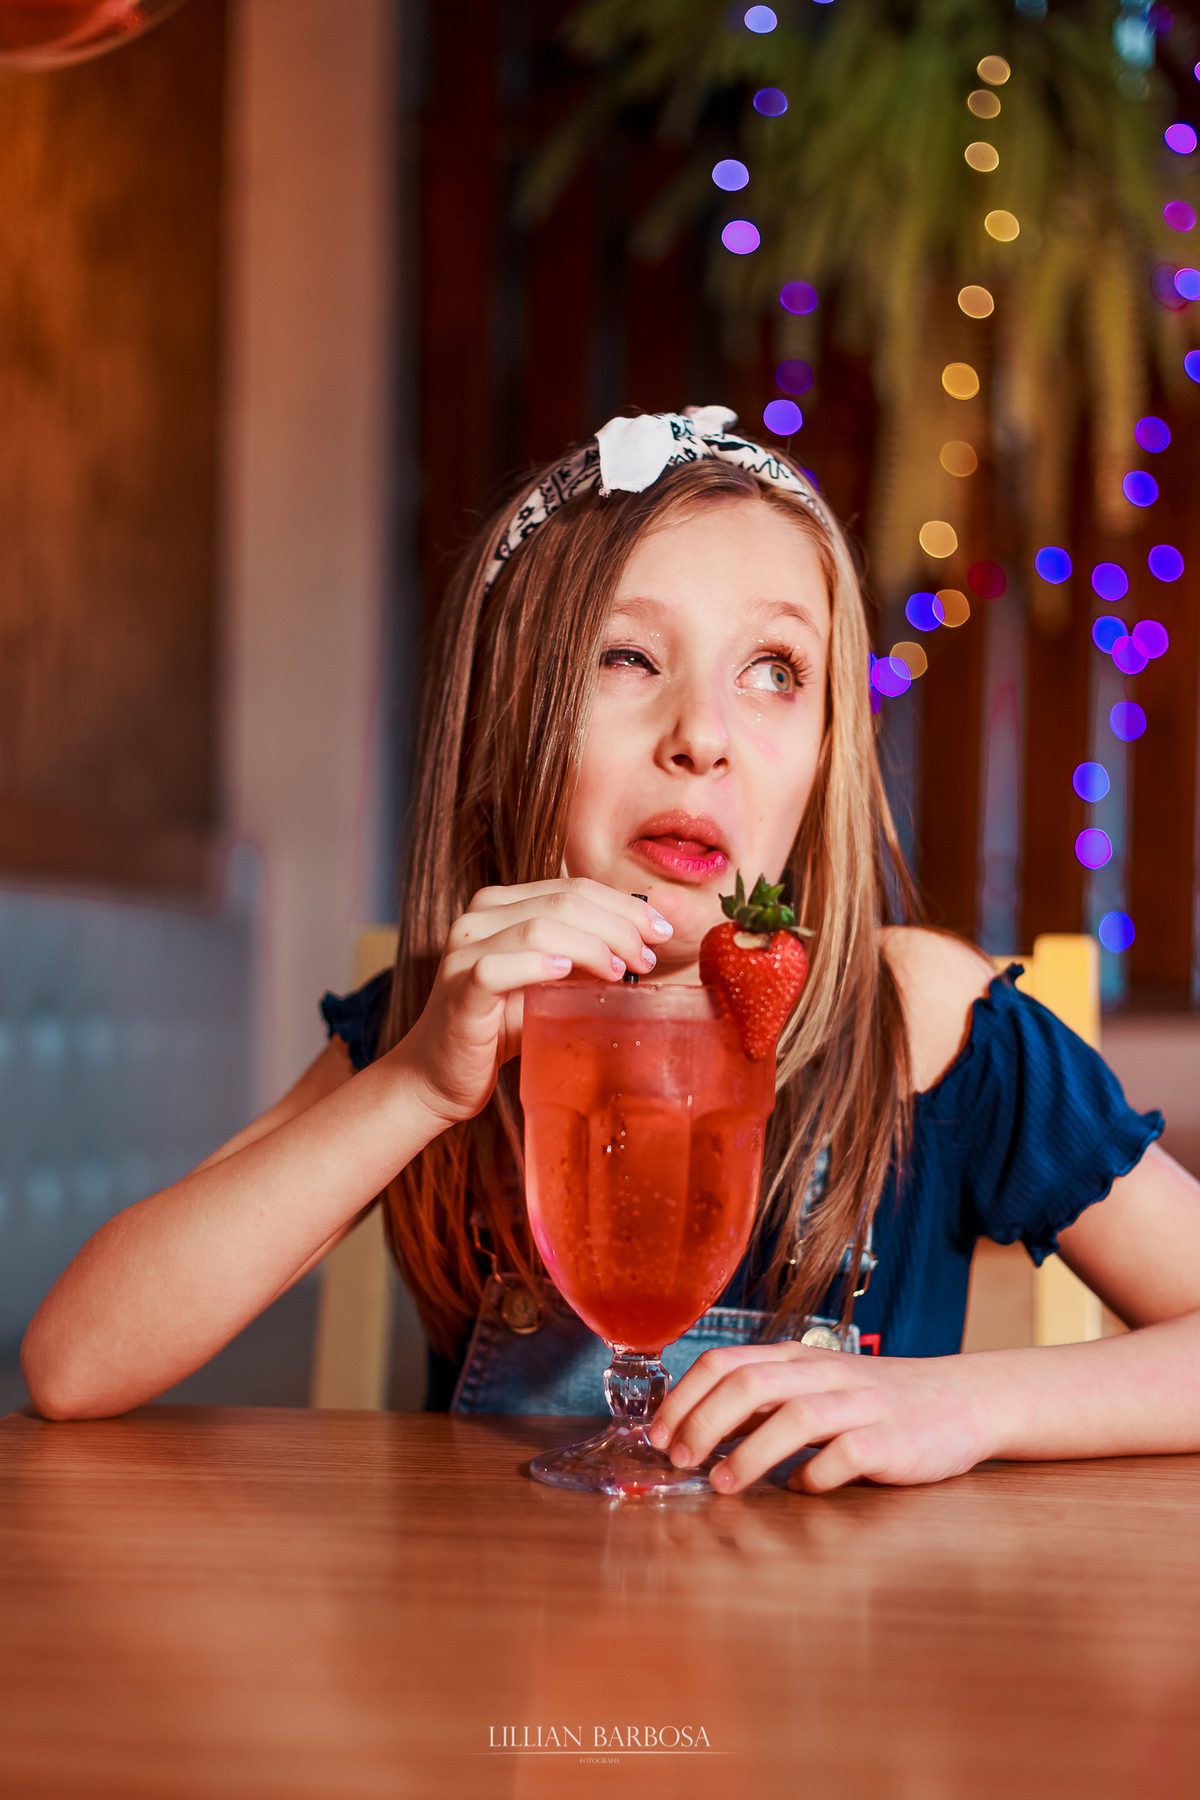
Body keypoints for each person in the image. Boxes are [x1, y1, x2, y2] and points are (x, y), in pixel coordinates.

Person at [21, 407, 1200, 1495]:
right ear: (516, 714)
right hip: (517, 1679)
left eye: (775, 672)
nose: (703, 737)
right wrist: (419, 1082)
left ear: (826, 753)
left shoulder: (930, 1026)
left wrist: (960, 1404)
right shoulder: (442, 1027)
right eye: (628, 658)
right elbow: (75, 1363)